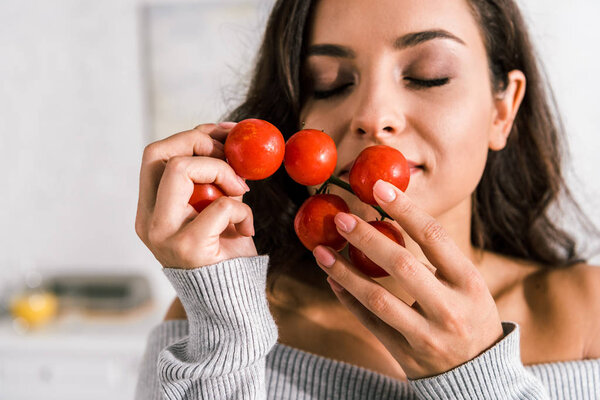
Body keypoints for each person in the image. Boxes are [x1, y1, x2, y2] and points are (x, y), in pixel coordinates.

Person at [133, 0, 600, 398]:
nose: (372, 116)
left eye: (428, 76)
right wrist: (226, 324)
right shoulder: (219, 321)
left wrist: (476, 376)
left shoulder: (588, 315)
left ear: (503, 110)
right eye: (331, 83)